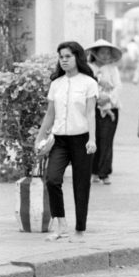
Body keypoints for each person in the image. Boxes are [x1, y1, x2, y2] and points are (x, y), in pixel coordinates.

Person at [35, 41, 98, 242]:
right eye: (61, 57)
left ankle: (80, 229)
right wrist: (40, 138)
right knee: (52, 179)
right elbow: (50, 114)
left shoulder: (89, 83)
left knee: (81, 185)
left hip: (82, 140)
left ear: (77, 57)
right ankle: (61, 225)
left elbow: (90, 113)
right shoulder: (56, 84)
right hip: (59, 140)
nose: (64, 60)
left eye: (68, 56)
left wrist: (92, 139)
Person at [86, 39, 123, 185]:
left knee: (106, 141)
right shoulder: (88, 68)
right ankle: (93, 171)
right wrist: (97, 97)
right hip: (92, 108)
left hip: (111, 107)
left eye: (108, 53)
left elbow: (118, 87)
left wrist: (107, 98)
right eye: (102, 52)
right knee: (92, 139)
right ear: (95, 53)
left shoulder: (113, 69)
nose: (106, 55)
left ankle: (105, 173)